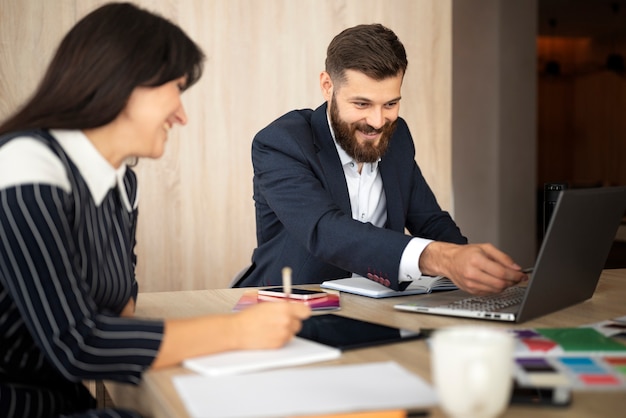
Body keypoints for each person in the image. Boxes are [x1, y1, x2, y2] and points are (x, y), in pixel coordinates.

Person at [0, 3, 310, 417]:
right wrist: (235, 331)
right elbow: (77, 343)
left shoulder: (121, 182)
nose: (181, 115)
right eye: (177, 88)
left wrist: (228, 322)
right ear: (124, 83)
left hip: (64, 400)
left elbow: (118, 306)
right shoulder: (24, 165)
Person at [235, 23, 527, 295]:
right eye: (362, 104)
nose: (377, 121)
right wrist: (440, 258)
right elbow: (325, 230)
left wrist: (479, 268)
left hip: (376, 309)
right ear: (327, 86)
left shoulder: (397, 137)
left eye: (390, 103)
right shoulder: (281, 144)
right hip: (291, 307)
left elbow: (430, 221)